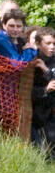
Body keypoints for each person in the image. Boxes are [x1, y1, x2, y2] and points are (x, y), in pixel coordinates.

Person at [29, 27, 55, 157]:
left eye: (54, 43)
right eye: (48, 43)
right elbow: (26, 90)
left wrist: (46, 70)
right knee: (38, 150)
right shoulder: (31, 60)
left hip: (51, 113)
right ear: (38, 44)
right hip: (34, 113)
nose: (52, 47)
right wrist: (45, 90)